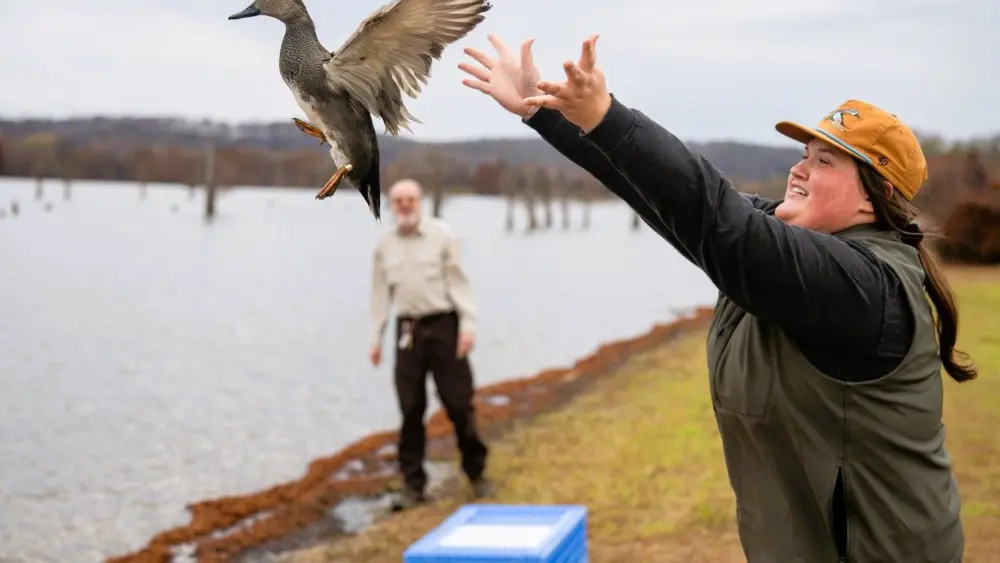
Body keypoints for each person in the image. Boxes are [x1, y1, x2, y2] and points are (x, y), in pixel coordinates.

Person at [459, 34, 975, 562]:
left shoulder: (864, 287)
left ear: (878, 196)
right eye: (805, 154)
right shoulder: (786, 249)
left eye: (826, 163)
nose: (799, 169)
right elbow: (666, 198)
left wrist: (606, 115)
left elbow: (712, 213)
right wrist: (548, 113)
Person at [370, 178, 494, 510]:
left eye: (411, 199)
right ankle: (413, 486)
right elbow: (380, 295)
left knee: (459, 405)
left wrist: (468, 326)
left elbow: (460, 283)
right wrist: (376, 338)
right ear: (392, 205)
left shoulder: (442, 235)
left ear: (420, 201)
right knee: (410, 410)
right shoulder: (385, 245)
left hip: (445, 327)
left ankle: (477, 474)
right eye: (399, 201)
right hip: (407, 332)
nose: (405, 205)